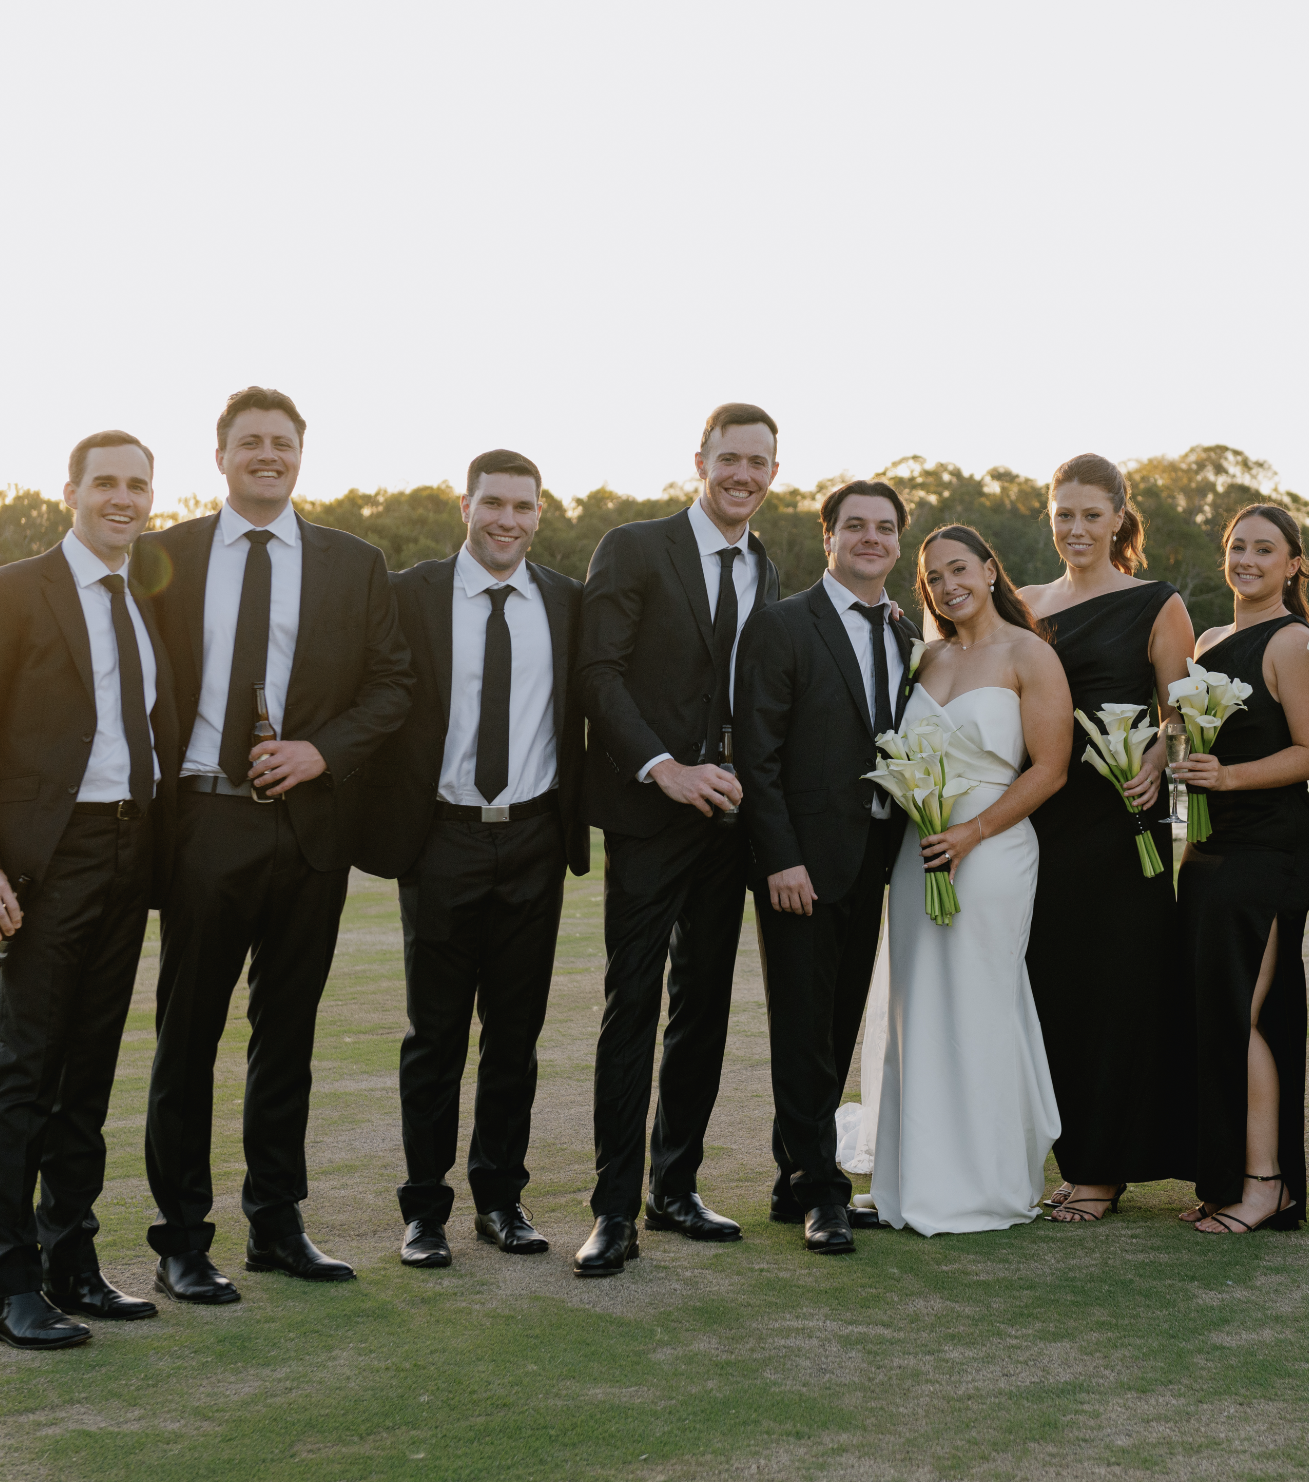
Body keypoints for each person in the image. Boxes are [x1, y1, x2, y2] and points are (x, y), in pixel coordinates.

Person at [134, 387, 413, 1300]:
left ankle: (277, 1224)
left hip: (308, 827)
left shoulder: (353, 562)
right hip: (202, 820)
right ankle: (180, 1236)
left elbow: (391, 687)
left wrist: (319, 753)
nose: (267, 454)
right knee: (188, 1038)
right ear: (219, 456)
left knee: (286, 1036)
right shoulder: (160, 557)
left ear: (301, 454)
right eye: (249, 442)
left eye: (281, 443)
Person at [0, 430, 179, 1349]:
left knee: (89, 1075)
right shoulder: (10, 591)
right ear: (71, 491)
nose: (123, 498)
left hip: (131, 853)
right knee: (27, 1075)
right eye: (106, 483)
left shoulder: (142, 597)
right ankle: (8, 1286)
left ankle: (72, 1259)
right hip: (47, 860)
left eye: (138, 486)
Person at [354, 449, 590, 1268]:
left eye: (523, 507)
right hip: (443, 835)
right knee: (436, 1036)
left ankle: (501, 1201)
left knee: (515, 1036)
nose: (508, 521)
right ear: (466, 505)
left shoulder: (566, 601)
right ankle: (424, 1212)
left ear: (538, 514)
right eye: (493, 503)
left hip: (533, 836)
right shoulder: (411, 593)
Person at [572, 403, 782, 1276]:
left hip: (729, 821)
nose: (742, 475)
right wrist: (665, 768)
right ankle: (612, 1210)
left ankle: (675, 1186)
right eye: (729, 459)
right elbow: (598, 674)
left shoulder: (769, 565)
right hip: (653, 814)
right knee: (634, 1006)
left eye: (758, 463)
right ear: (701, 460)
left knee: (701, 1012)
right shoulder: (634, 546)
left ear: (774, 471)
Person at [859, 525, 1071, 1235]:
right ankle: (913, 1181)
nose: (949, 586)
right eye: (933, 579)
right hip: (921, 850)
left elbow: (1050, 768)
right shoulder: (924, 659)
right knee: (917, 1007)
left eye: (960, 569)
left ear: (989, 568)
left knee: (980, 1001)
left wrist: (975, 833)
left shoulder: (1030, 654)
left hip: (993, 846)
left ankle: (986, 1181)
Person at [734, 480, 917, 1255]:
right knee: (805, 1026)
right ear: (828, 537)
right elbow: (757, 755)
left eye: (884, 528)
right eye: (855, 527)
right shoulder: (781, 627)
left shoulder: (908, 637)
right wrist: (781, 859)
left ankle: (791, 1175)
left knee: (838, 1024)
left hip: (877, 858)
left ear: (898, 543)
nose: (870, 538)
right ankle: (821, 1191)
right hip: (801, 866)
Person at [1017, 454, 1195, 1224]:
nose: (1077, 528)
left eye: (1092, 514)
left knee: (1122, 990)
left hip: (1126, 820)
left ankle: (1107, 1170)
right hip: (1043, 822)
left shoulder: (1158, 604)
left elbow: (1183, 710)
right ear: (1049, 517)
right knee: (1054, 990)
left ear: (1120, 517)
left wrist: (1161, 754)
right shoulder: (1024, 603)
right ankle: (1078, 1156)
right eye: (1064, 514)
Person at [1172, 505, 1309, 1235]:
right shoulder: (1208, 641)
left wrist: (1227, 780)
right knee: (1212, 1012)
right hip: (1210, 847)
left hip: (1272, 846)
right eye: (1238, 546)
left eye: (1265, 550)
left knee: (1245, 1010)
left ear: (1294, 564)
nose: (1247, 560)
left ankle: (1266, 1185)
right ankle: (1229, 1174)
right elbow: (1184, 734)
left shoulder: (1296, 641)